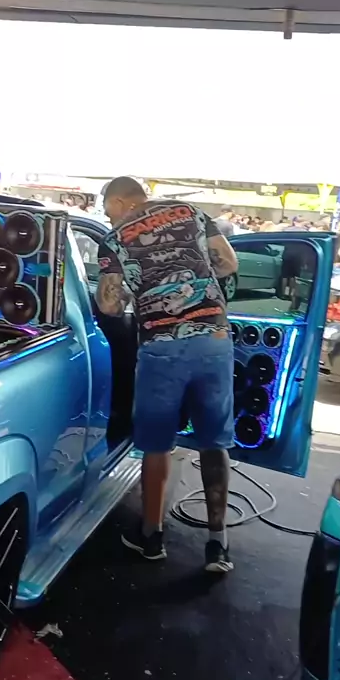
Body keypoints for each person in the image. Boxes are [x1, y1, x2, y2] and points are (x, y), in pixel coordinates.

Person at [96, 176, 238, 573]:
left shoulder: (115, 238)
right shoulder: (191, 212)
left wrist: (135, 291)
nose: (108, 218)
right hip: (213, 339)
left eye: (107, 210)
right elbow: (228, 263)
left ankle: (151, 537)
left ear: (120, 202)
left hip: (161, 347)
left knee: (157, 445)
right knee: (214, 442)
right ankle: (218, 545)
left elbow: (109, 306)